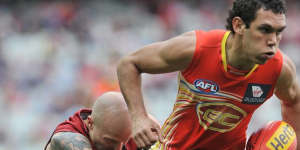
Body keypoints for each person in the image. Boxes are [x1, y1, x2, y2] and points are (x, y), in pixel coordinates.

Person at [117, 0, 300, 149]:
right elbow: (129, 64)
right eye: (265, 30)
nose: (273, 41)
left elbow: (294, 100)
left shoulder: (279, 68)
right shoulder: (197, 49)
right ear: (238, 25)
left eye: (279, 32)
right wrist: (138, 117)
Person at [44, 92, 133, 150]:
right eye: (110, 141)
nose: (118, 149)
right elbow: (60, 139)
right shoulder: (70, 135)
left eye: (123, 142)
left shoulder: (121, 132)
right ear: (90, 123)